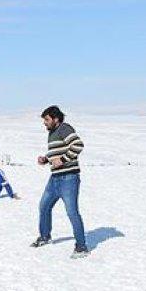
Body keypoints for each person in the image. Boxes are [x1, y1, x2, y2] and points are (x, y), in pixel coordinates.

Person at [31, 106, 88, 257]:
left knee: (72, 212)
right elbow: (57, 154)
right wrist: (46, 159)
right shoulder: (52, 133)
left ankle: (81, 247)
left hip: (69, 178)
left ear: (56, 119)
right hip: (54, 179)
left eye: (47, 119)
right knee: (44, 206)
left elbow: (78, 145)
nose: (44, 122)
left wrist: (62, 160)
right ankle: (45, 236)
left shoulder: (64, 128)